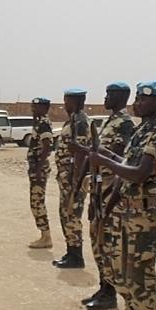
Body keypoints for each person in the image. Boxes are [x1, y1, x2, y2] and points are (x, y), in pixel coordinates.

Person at [83, 82, 156, 310]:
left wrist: (106, 162)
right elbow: (126, 170)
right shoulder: (142, 131)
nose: (138, 103)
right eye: (138, 98)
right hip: (128, 211)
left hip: (145, 215)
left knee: (141, 274)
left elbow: (139, 173)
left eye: (145, 99)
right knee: (128, 272)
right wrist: (109, 203)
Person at [83, 83, 136, 310]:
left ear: (121, 97)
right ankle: (105, 289)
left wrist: (107, 197)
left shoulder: (125, 124)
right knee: (99, 243)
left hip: (112, 193)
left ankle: (120, 299)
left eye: (109, 95)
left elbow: (121, 160)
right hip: (99, 191)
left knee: (112, 247)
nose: (105, 98)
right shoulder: (108, 122)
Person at [52, 88, 92, 268]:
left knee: (72, 215)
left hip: (73, 179)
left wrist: (76, 182)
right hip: (66, 177)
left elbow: (80, 153)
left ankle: (76, 256)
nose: (64, 104)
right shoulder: (73, 120)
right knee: (65, 214)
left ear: (77, 102)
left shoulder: (81, 121)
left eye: (67, 101)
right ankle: (71, 252)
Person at [25, 99, 54, 248]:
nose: (32, 109)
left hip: (39, 170)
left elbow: (47, 147)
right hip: (36, 169)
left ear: (44, 108)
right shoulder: (38, 122)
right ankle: (44, 235)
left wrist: (38, 168)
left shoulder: (44, 124)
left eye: (35, 107)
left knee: (37, 202)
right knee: (35, 201)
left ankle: (46, 236)